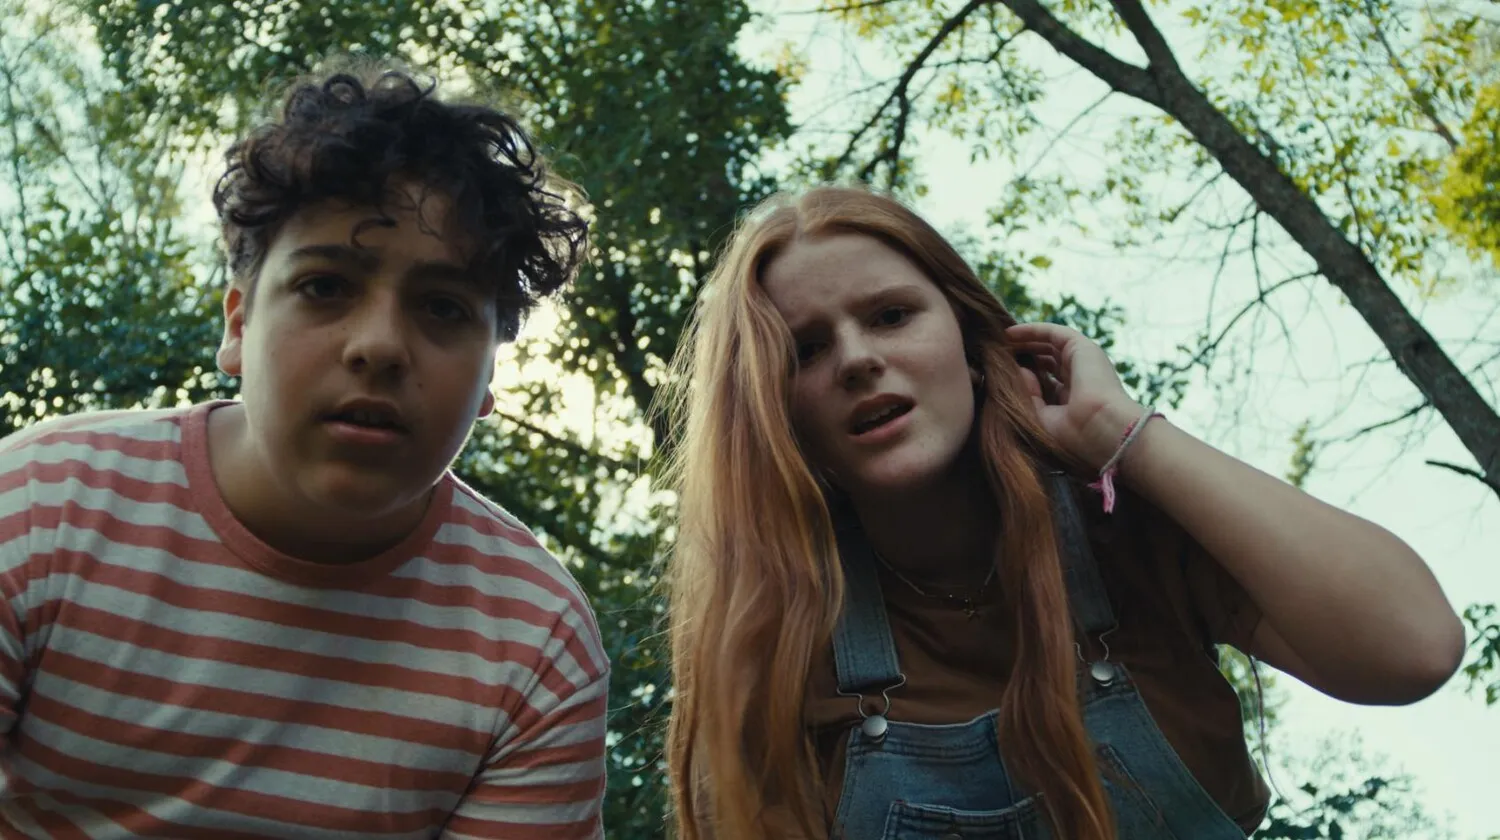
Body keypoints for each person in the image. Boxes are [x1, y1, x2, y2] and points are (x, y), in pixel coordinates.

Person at [661, 185, 1465, 840]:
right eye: (805, 350)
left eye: (891, 315)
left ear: (972, 343)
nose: (858, 359)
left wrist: (1119, 432)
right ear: (773, 413)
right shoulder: (774, 641)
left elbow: (1413, 647)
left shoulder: (1129, 528)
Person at [0, 62, 609, 838]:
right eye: (325, 287)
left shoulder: (535, 641)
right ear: (238, 325)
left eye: (444, 308)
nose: (379, 346)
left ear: (490, 376)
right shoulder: (39, 507)